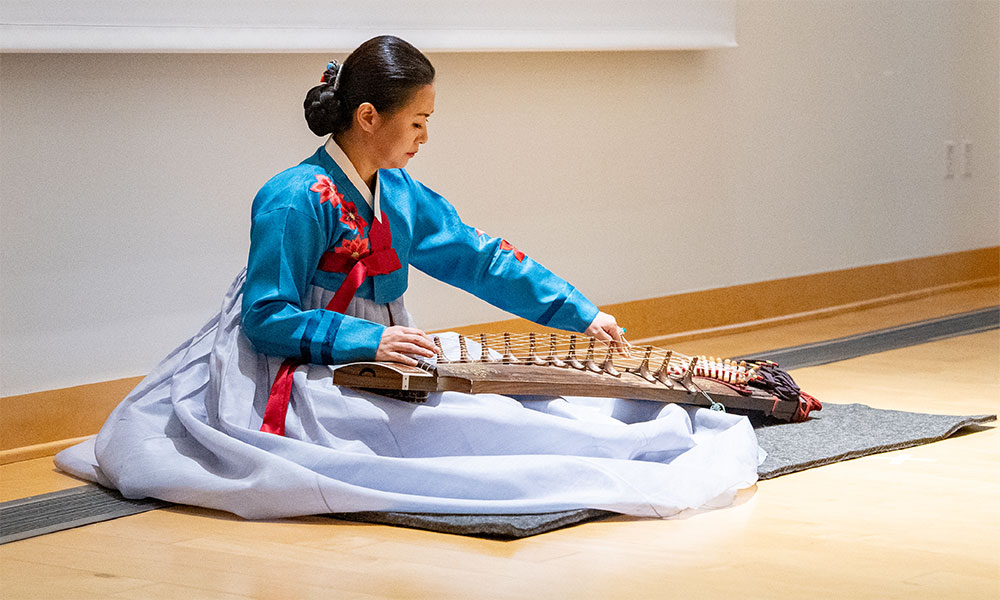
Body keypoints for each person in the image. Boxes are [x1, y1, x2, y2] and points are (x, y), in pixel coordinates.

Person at [56, 36, 761, 520]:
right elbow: (266, 317)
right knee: (459, 436)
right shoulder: (293, 196)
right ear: (368, 117)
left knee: (511, 409)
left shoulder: (398, 191)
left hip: (389, 354)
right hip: (297, 369)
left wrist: (578, 313)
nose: (425, 137)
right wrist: (360, 341)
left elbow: (478, 257)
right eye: (418, 122)